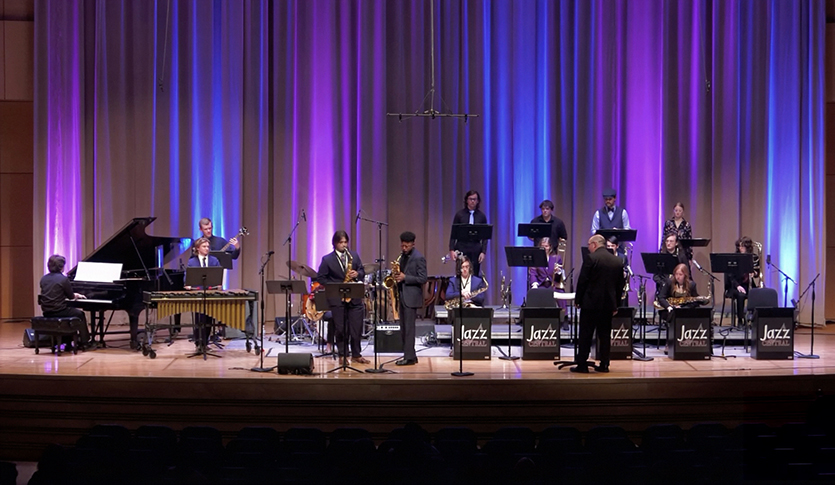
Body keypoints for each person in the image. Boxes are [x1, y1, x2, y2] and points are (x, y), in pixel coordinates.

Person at [571, 234, 625, 374]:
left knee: (586, 334)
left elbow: (583, 281)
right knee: (605, 335)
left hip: (590, 304)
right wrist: (616, 305)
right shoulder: (617, 261)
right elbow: (620, 286)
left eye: (589, 244)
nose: (588, 247)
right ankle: (604, 364)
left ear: (594, 244)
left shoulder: (591, 258)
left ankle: (582, 364)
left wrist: (578, 300)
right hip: (608, 305)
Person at [316, 230, 367, 365]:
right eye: (341, 242)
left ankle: (356, 354)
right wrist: (335, 286)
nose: (344, 245)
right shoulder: (327, 259)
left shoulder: (354, 256)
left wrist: (358, 274)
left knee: (356, 328)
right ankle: (342, 355)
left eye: (345, 242)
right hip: (337, 298)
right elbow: (321, 278)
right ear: (335, 244)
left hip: (354, 297)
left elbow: (362, 271)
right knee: (341, 328)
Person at [38, 254, 91, 348]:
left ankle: (68, 342)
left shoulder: (44, 278)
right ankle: (85, 342)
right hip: (59, 310)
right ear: (61, 267)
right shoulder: (63, 279)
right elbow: (70, 296)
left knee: (70, 311)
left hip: (47, 311)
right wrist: (77, 295)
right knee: (80, 314)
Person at [392, 232, 427, 366]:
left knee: (409, 329)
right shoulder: (402, 256)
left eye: (407, 246)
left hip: (411, 297)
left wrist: (405, 277)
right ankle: (410, 355)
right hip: (403, 295)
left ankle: (409, 357)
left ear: (413, 244)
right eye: (402, 246)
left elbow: (423, 278)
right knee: (404, 328)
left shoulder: (419, 258)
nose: (404, 248)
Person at [186, 237, 222, 349]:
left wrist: (219, 285)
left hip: (210, 293)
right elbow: (186, 278)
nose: (207, 249)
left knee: (208, 319)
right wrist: (188, 285)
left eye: (207, 246)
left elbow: (218, 277)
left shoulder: (214, 260)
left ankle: (205, 342)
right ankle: (198, 342)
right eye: (204, 246)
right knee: (199, 319)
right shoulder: (192, 262)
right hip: (197, 293)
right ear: (198, 248)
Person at [449, 190, 488, 278]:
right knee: (461, 272)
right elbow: (453, 233)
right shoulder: (459, 215)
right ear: (466, 200)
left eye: (475, 199)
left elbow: (485, 236)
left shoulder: (481, 216)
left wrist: (483, 251)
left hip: (475, 248)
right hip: (462, 246)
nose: (473, 201)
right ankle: (461, 291)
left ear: (478, 201)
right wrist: (451, 249)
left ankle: (473, 291)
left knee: (475, 274)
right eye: (471, 199)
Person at [529, 237, 568, 314]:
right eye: (542, 246)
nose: (544, 248)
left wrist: (558, 272)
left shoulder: (556, 258)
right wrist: (534, 284)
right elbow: (533, 272)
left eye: (546, 246)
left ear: (550, 246)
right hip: (541, 284)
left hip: (553, 284)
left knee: (561, 294)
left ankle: (564, 317)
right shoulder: (536, 258)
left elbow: (559, 277)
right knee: (534, 294)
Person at [725, 236, 753, 327]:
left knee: (758, 293)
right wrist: (738, 286)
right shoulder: (735, 258)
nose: (740, 248)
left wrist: (754, 273)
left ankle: (753, 319)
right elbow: (730, 277)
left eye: (742, 246)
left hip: (747, 284)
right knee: (741, 295)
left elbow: (757, 273)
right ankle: (740, 319)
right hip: (734, 286)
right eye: (739, 246)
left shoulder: (752, 257)